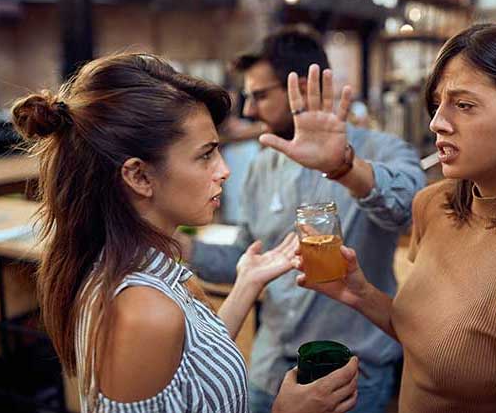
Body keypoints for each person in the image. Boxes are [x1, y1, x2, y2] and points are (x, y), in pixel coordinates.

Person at [11, 53, 359, 413]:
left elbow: (190, 372)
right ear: (139, 176)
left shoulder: (142, 265)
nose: (223, 170)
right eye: (205, 155)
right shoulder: (142, 310)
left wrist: (246, 284)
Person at [293, 21, 496, 413]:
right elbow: (426, 339)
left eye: (464, 105)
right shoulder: (434, 205)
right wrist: (360, 293)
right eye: (437, 105)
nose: (437, 122)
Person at [182, 25, 426, 413]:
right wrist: (184, 247)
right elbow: (250, 257)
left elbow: (408, 208)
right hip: (269, 372)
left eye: (260, 95)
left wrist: (345, 168)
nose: (248, 110)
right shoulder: (263, 166)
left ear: (303, 86)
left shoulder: (379, 150)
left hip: (350, 375)